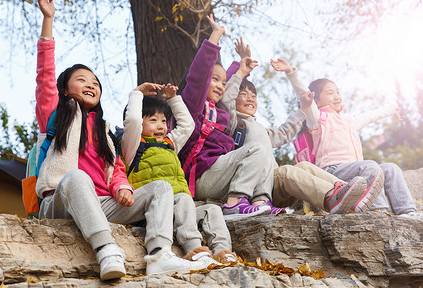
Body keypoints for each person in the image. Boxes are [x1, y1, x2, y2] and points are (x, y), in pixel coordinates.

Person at [35, 0, 205, 280]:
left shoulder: (103, 131)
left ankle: (159, 254)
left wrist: (122, 187)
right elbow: (45, 77)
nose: (90, 85)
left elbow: (116, 170)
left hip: (101, 203)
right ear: (66, 89)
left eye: (95, 82)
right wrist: (48, 21)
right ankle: (105, 249)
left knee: (162, 188)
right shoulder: (57, 114)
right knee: (78, 177)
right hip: (61, 200)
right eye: (81, 80)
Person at [219, 39, 372, 214]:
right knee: (287, 172)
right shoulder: (232, 123)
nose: (250, 98)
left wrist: (304, 109)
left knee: (305, 167)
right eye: (243, 94)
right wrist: (240, 71)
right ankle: (332, 197)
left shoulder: (262, 130)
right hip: (251, 187)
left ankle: (347, 192)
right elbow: (225, 100)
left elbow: (285, 132)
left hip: (270, 184)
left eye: (253, 96)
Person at [120, 83, 237, 264]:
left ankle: (223, 252)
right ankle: (195, 249)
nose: (160, 126)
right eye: (153, 120)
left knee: (211, 210)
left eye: (163, 121)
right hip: (156, 210)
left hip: (182, 211)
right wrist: (136, 94)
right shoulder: (133, 146)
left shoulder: (169, 144)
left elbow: (187, 125)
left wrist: (174, 99)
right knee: (183, 198)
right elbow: (133, 121)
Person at [178, 15, 276, 220]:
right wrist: (215, 36)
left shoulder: (221, 112)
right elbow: (199, 74)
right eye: (214, 80)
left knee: (263, 152)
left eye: (222, 82)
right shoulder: (193, 105)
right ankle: (234, 203)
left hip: (219, 173)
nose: (221, 85)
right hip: (200, 176)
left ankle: (260, 201)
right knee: (255, 149)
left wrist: (241, 68)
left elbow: (228, 87)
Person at [301, 75, 420, 219]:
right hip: (333, 170)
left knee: (391, 169)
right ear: (317, 101)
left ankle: (407, 212)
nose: (337, 96)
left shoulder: (349, 122)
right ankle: (378, 212)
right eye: (330, 93)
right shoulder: (318, 119)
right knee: (370, 166)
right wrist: (291, 72)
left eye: (337, 92)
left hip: (356, 170)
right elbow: (303, 95)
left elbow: (369, 116)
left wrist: (390, 110)